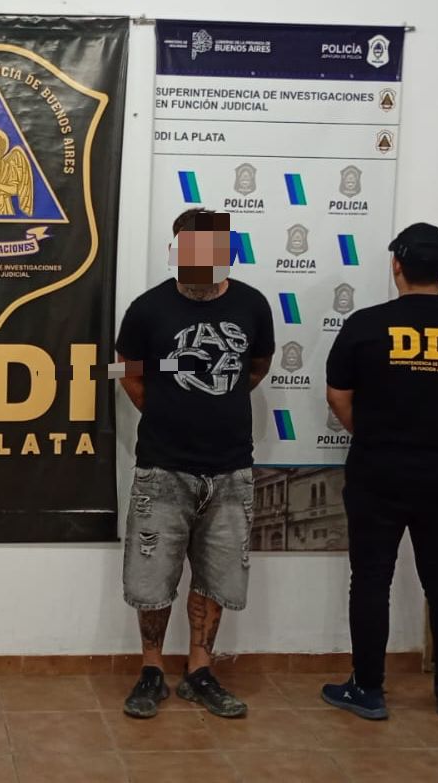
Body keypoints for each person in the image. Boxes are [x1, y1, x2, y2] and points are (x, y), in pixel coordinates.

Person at [322, 223, 438, 720]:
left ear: (396, 265)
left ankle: (368, 690)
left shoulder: (365, 325)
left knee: (371, 578)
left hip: (379, 468)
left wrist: (374, 434)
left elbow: (338, 396)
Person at [115, 208, 274, 719]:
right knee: (151, 578)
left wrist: (213, 402)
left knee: (217, 577)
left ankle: (200, 671)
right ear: (176, 251)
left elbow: (257, 367)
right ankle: (152, 670)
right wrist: (167, 411)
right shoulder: (147, 309)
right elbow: (128, 373)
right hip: (162, 467)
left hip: (231, 469)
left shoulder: (253, 305)